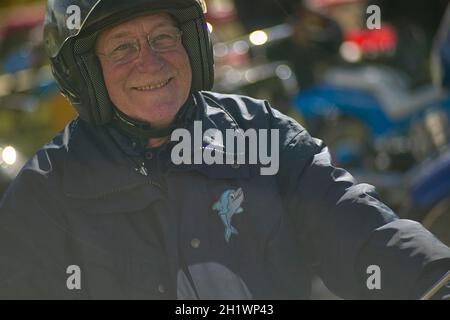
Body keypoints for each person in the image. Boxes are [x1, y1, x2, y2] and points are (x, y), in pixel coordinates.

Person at [0, 0, 449, 300]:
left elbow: (364, 232)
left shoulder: (260, 134)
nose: (151, 61)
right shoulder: (47, 191)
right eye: (123, 47)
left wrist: (436, 281)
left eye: (162, 37)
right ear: (85, 74)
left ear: (191, 45)